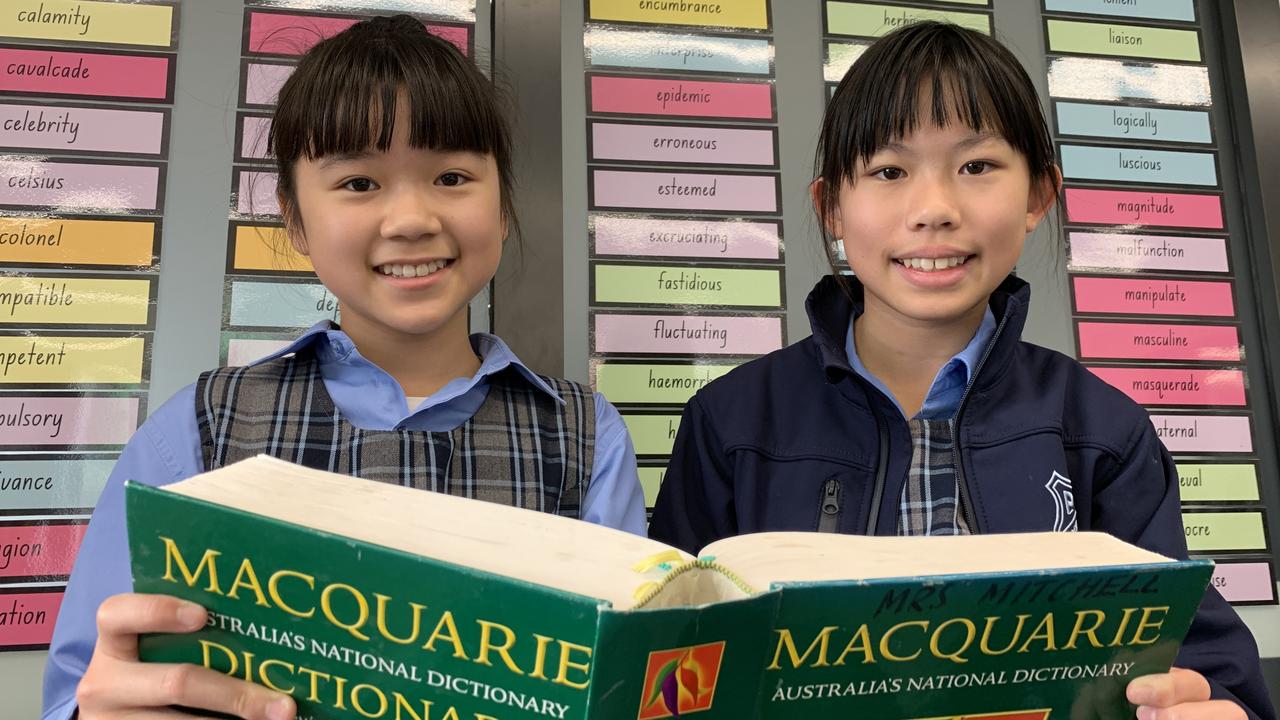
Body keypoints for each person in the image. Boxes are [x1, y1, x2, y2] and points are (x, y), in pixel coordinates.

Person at [649, 21, 1273, 720]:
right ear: (831, 207)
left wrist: (1219, 705)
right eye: (889, 171)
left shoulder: (1104, 433)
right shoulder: (730, 422)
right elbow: (665, 653)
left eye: (976, 166)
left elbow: (1199, 657)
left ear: (1039, 195)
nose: (934, 210)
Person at [42, 16, 645, 720]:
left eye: (452, 176)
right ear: (294, 221)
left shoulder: (585, 438)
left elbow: (625, 682)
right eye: (359, 183)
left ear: (503, 206)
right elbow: (84, 685)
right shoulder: (197, 431)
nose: (412, 218)